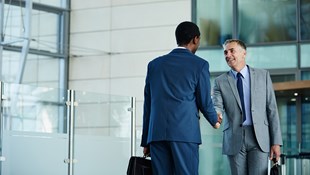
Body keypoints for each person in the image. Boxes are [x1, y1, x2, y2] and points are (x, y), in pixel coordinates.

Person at [140, 21, 222, 175]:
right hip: (184, 133)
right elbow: (204, 101)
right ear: (195, 39)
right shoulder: (200, 65)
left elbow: (148, 105)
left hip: (157, 135)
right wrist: (215, 120)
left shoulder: (154, 65)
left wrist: (146, 140)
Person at [212, 39, 283, 175]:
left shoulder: (263, 76)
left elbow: (272, 109)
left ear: (244, 53)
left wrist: (276, 142)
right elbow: (217, 105)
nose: (227, 55)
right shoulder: (220, 81)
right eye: (225, 52)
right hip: (234, 137)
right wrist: (216, 115)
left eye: (232, 51)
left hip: (259, 138)